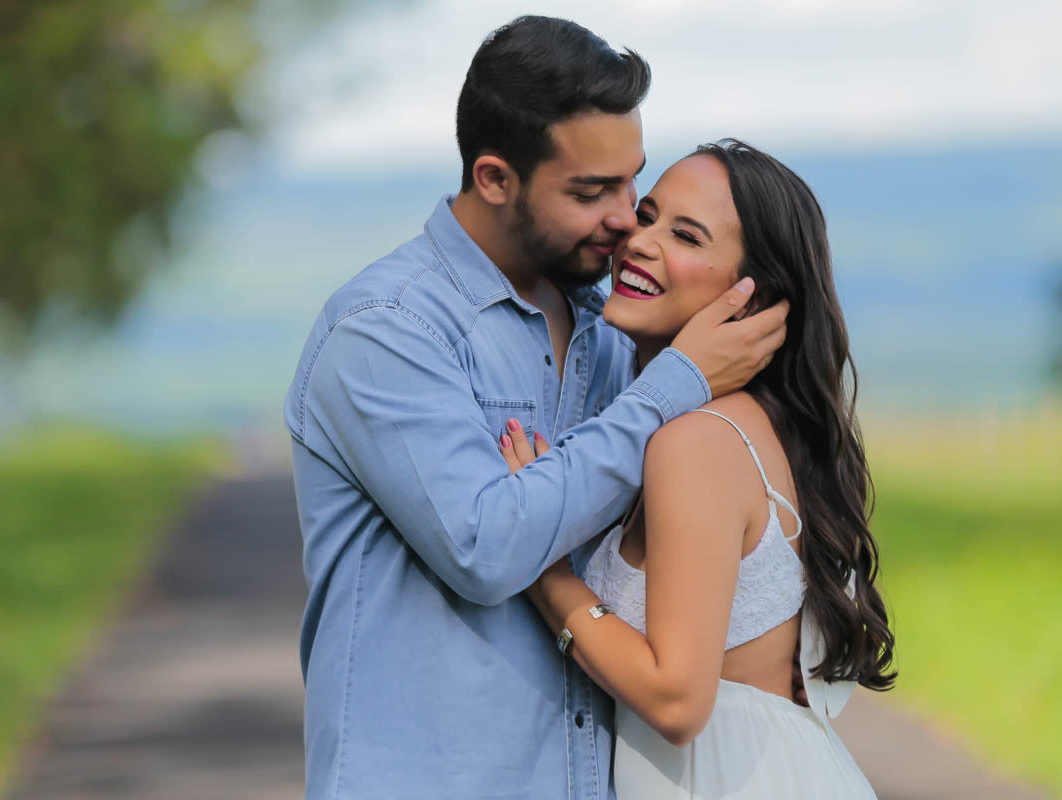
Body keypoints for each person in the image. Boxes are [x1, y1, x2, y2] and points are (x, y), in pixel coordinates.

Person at [283, 17, 788, 799]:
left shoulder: (613, 327)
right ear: (494, 178)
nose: (626, 218)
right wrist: (676, 384)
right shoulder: (386, 330)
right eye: (592, 192)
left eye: (633, 183)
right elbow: (486, 546)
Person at [501, 140, 896, 799]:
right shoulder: (737, 427)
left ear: (753, 293)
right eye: (648, 215)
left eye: (685, 235)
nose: (641, 242)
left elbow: (677, 701)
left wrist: (543, 567)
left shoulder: (695, 442)